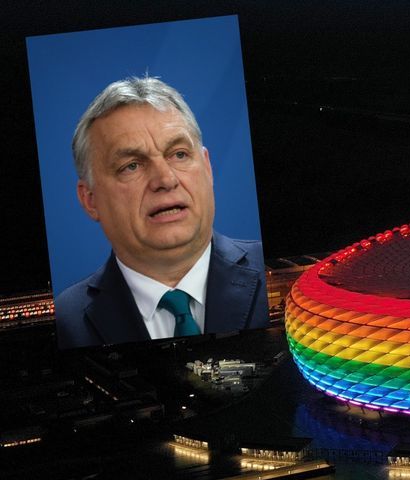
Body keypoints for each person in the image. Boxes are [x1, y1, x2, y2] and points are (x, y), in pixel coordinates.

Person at [55, 77, 268, 349]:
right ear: (90, 200)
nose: (166, 179)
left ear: (207, 168)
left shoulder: (274, 275)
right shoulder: (66, 321)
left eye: (179, 154)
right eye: (131, 166)